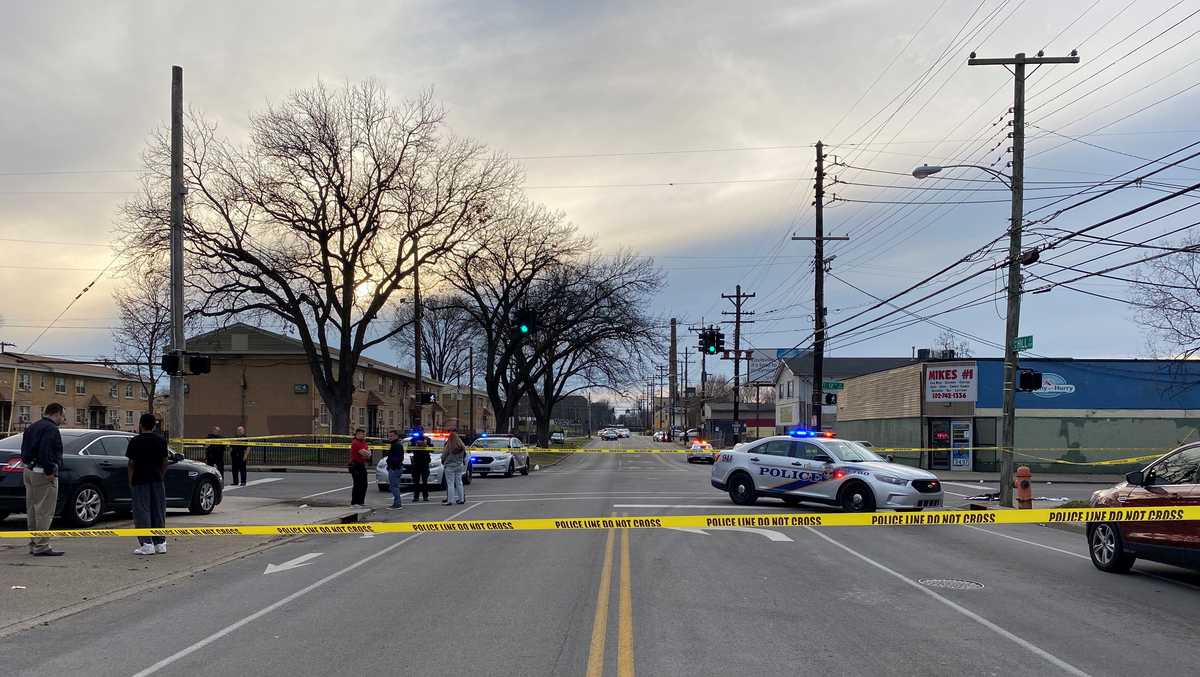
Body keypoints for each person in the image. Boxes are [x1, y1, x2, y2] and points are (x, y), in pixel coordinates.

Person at [20, 403, 66, 557]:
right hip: (42, 473)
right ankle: (42, 545)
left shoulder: (33, 427)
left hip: (28, 470)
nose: (63, 419)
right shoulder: (51, 429)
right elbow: (45, 450)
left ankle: (34, 542)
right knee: (44, 511)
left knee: (32, 509)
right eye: (62, 415)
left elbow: (25, 449)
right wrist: (50, 470)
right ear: (57, 413)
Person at [128, 413, 170, 555]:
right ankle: (160, 543)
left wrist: (130, 481)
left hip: (140, 480)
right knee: (158, 510)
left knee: (142, 511)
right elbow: (165, 462)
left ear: (140, 425)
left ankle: (147, 543)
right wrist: (161, 475)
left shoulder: (135, 441)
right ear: (154, 425)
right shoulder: (161, 440)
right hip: (157, 479)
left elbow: (131, 464)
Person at [441, 431, 467, 506]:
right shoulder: (462, 446)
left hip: (449, 466)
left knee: (450, 484)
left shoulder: (449, 446)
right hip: (459, 465)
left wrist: (443, 461)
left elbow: (443, 456)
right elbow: (464, 455)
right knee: (459, 482)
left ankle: (450, 500)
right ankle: (461, 499)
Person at [349, 428, 371, 506]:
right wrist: (367, 453)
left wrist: (367, 453)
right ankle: (355, 502)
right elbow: (365, 453)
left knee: (364, 484)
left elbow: (368, 454)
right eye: (362, 434)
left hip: (362, 464)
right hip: (355, 465)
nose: (364, 435)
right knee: (358, 484)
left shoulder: (364, 442)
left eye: (364, 434)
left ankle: (361, 501)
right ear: (357, 434)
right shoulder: (355, 443)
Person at [385, 430, 405, 510]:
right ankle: (396, 503)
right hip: (395, 467)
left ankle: (397, 504)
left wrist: (391, 465)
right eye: (389, 436)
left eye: (391, 436)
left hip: (395, 468)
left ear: (396, 436)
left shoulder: (396, 445)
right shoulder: (395, 444)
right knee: (394, 486)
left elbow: (397, 458)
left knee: (394, 487)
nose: (390, 437)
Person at [410, 434, 432, 503]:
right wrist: (413, 443)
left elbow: (432, 449)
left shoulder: (427, 440)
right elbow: (408, 450)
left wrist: (427, 443)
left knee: (424, 481)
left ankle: (424, 496)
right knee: (416, 481)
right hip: (417, 463)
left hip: (424, 463)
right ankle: (417, 497)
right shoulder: (413, 440)